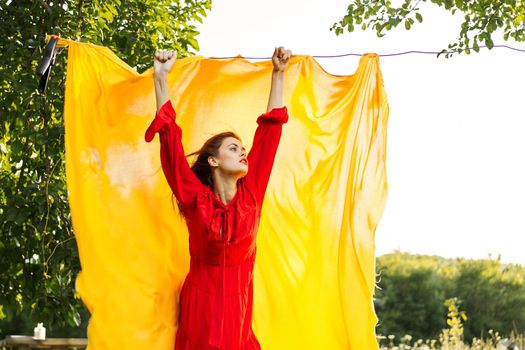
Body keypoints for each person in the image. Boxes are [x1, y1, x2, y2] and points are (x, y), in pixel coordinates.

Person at [145, 46, 292, 349]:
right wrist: (161, 77)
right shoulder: (195, 199)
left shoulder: (251, 195)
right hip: (200, 316)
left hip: (238, 322)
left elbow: (269, 134)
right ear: (213, 161)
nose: (243, 152)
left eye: (242, 149)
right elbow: (171, 142)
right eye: (233, 148)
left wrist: (278, 73)